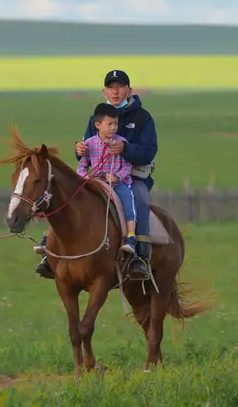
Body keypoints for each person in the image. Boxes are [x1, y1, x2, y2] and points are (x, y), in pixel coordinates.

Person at [35, 69, 158, 280]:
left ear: (129, 90)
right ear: (104, 92)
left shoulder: (142, 118)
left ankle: (140, 256)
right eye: (111, 87)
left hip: (132, 176)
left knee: (139, 199)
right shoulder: (98, 117)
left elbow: (148, 152)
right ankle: (51, 251)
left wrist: (124, 149)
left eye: (120, 87)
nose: (116, 91)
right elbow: (88, 150)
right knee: (67, 197)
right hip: (98, 175)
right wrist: (79, 150)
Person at [76, 103, 141, 259]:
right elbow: (82, 165)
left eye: (116, 124)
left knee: (128, 201)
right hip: (95, 183)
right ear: (98, 125)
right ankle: (52, 237)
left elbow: (127, 165)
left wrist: (117, 176)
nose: (113, 128)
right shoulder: (89, 144)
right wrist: (84, 177)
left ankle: (131, 236)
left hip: (118, 184)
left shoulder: (121, 142)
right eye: (109, 124)